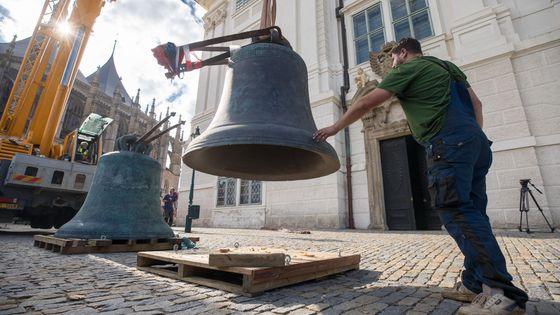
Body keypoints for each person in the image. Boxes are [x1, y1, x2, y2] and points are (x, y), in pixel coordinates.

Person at [314, 37, 528, 315]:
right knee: (473, 213)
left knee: (456, 212)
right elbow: (478, 104)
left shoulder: (406, 68)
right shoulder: (447, 67)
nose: (391, 63)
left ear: (403, 53)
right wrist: (473, 135)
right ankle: (475, 283)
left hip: (448, 144)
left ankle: (504, 296)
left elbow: (367, 102)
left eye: (392, 58)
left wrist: (334, 127)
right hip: (476, 143)